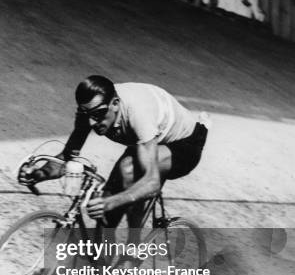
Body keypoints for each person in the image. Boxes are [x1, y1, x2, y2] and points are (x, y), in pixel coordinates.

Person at [19, 75, 208, 231]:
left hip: (185, 145)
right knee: (108, 203)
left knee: (127, 172)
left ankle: (133, 251)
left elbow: (152, 183)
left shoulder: (137, 115)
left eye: (99, 115)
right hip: (149, 141)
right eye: (87, 115)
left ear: (115, 104)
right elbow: (68, 157)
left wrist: (111, 202)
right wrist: (38, 174)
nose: (92, 123)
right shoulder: (92, 109)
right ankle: (103, 264)